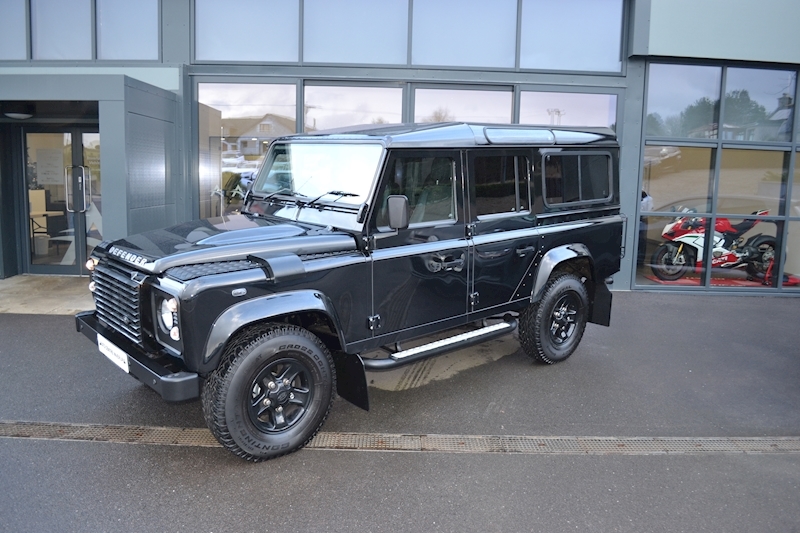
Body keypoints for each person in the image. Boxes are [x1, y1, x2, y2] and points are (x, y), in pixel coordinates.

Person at [638, 190, 653, 266]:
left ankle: (639, 261)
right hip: (643, 219)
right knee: (642, 240)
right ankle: (640, 261)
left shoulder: (646, 198)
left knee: (641, 240)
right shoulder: (648, 198)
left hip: (642, 219)